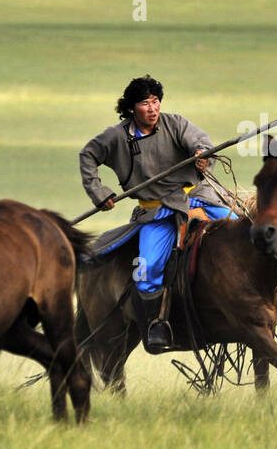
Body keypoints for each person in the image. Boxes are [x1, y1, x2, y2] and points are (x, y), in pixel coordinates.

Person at [79, 76, 236, 353]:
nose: (152, 108)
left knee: (246, 233)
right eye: (144, 103)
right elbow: (88, 155)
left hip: (197, 199)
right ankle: (157, 325)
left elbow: (201, 143)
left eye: (155, 101)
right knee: (148, 267)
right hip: (157, 214)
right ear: (131, 109)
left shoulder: (175, 123)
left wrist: (202, 156)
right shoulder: (115, 137)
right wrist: (98, 191)